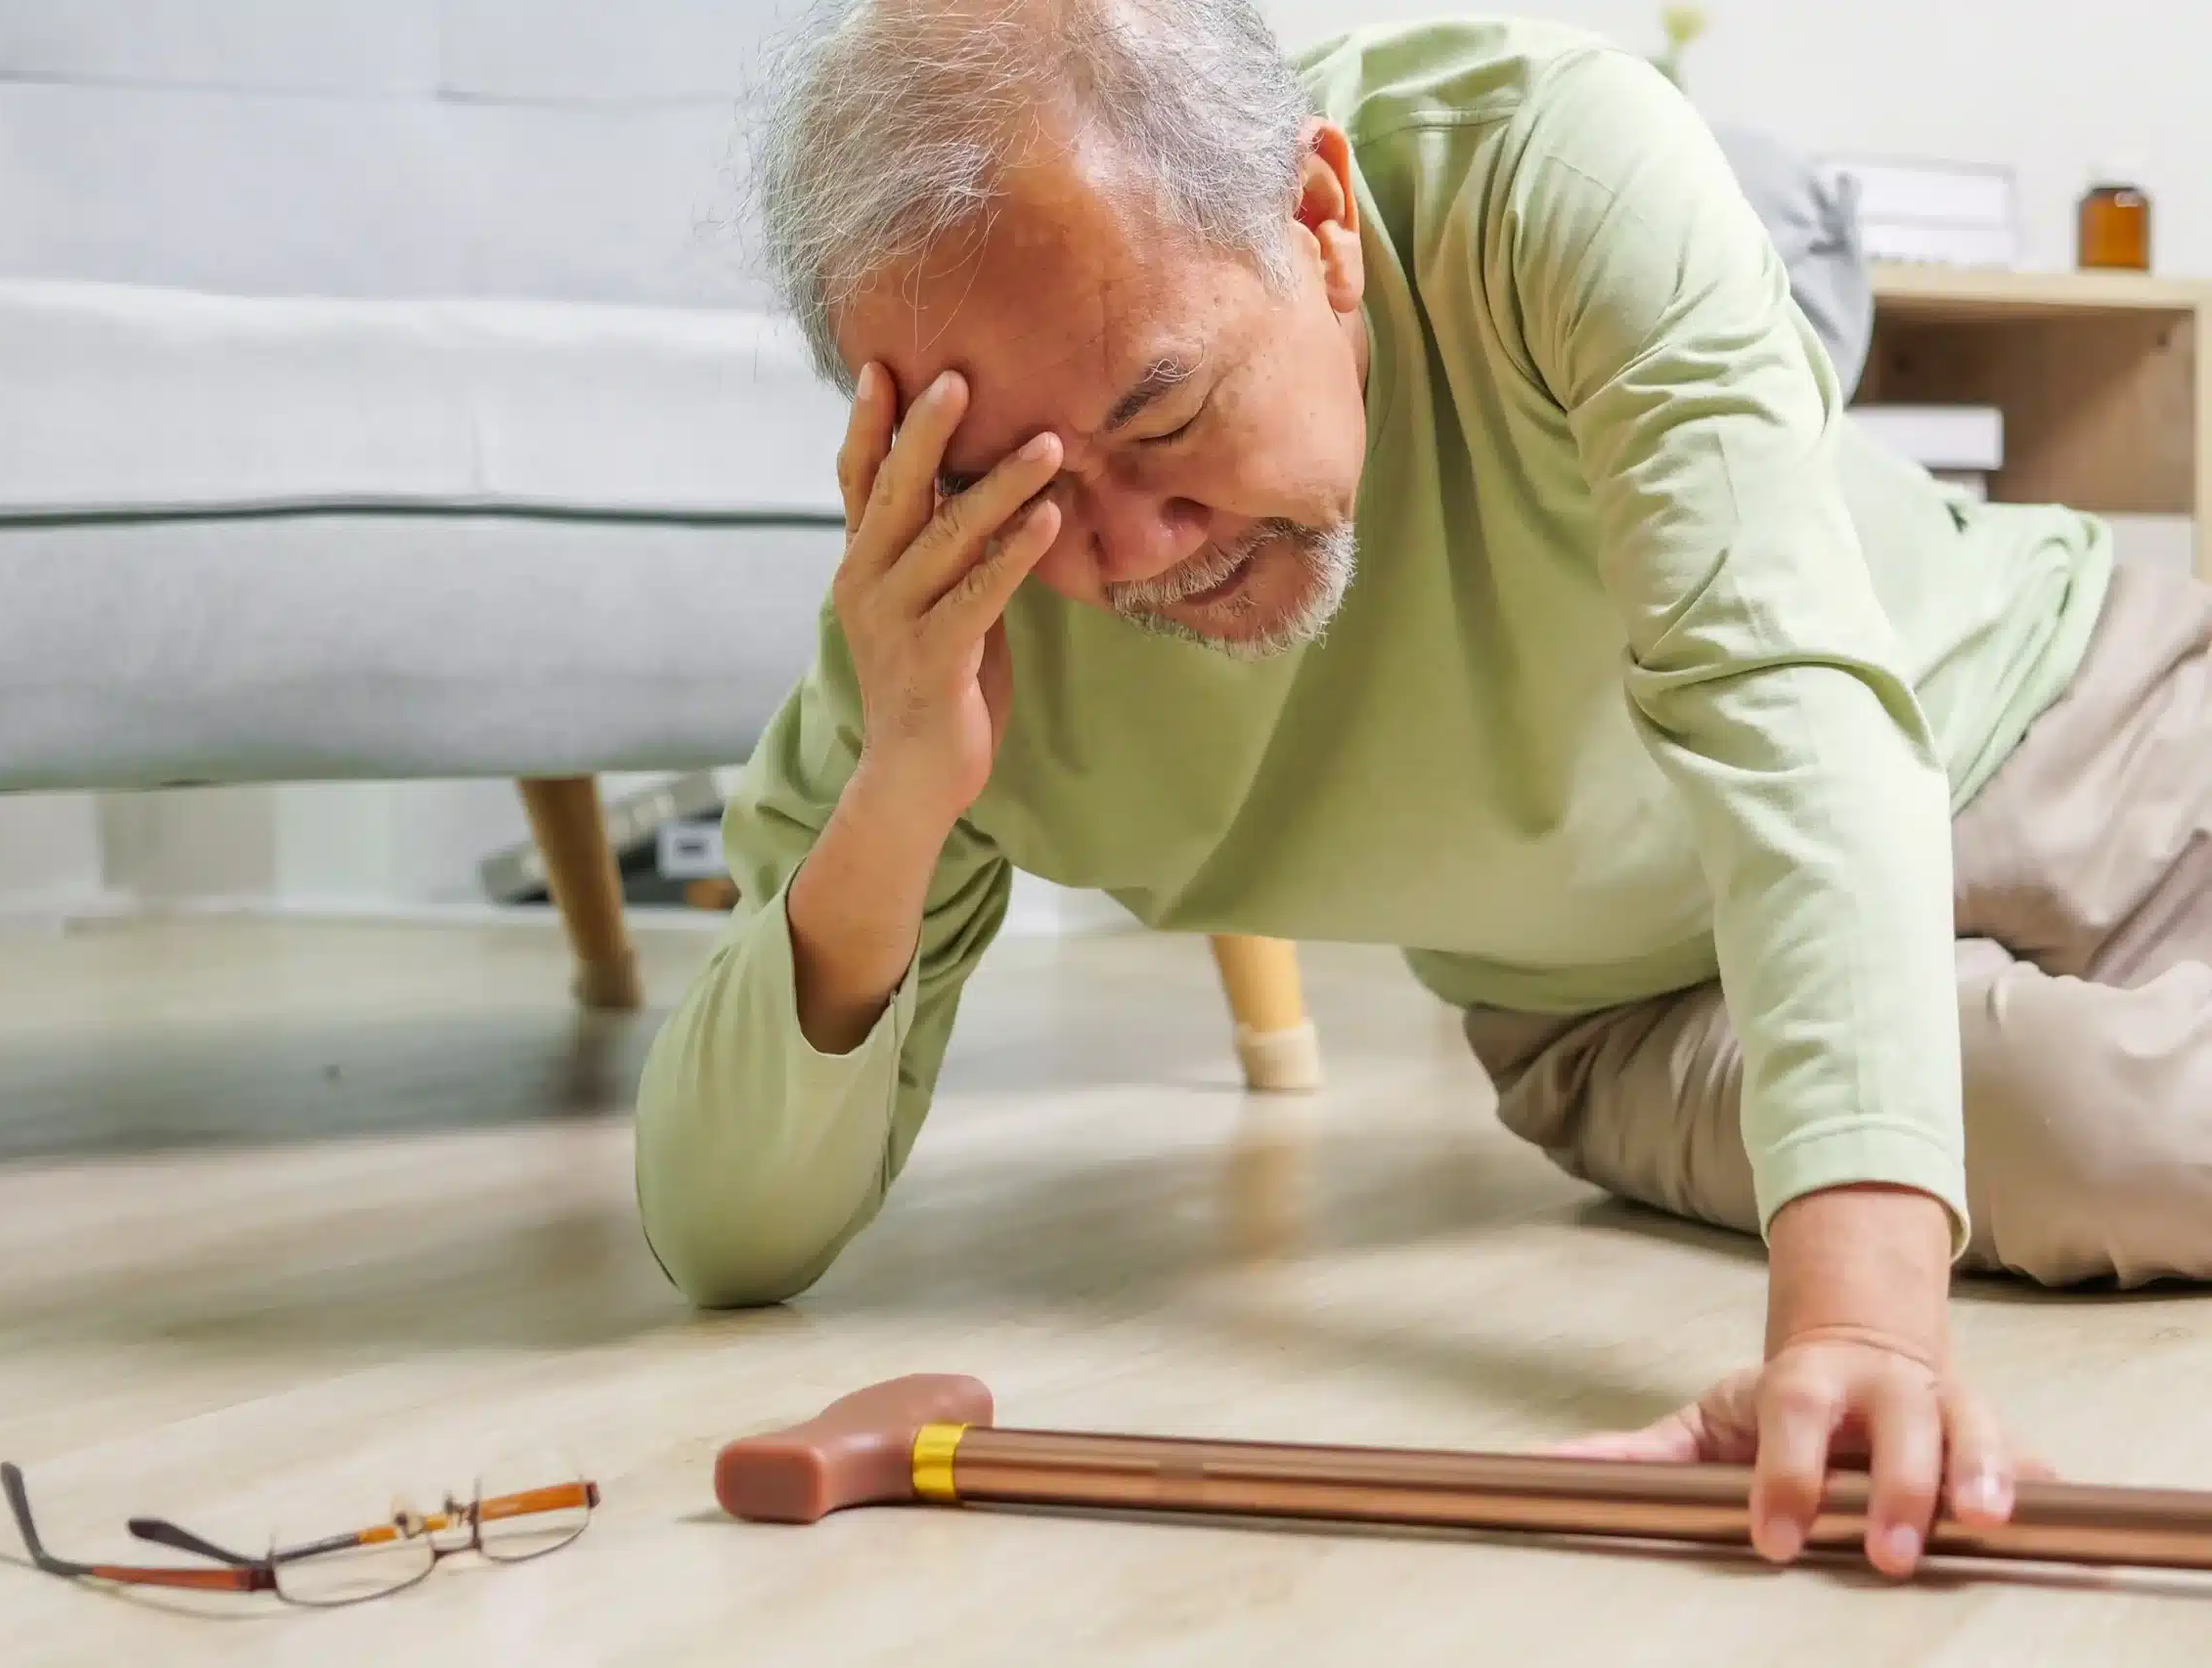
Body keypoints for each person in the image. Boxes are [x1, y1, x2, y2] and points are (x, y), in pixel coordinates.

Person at [635, 0, 2212, 1579]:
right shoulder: (951, 623)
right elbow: (724, 1229)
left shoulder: (1543, 171)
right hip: (1637, 1012)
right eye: (1022, 484)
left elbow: (1782, 699)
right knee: (2123, 1139)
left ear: (1319, 221)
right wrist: (907, 784)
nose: (1130, 549)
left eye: (1165, 414)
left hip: (2079, 717)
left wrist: (1866, 1321)